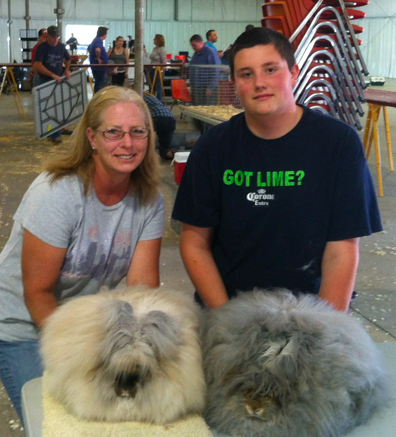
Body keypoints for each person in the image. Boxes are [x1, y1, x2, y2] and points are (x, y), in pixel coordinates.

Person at [172, 27, 382, 313]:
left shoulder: (338, 144)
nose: (260, 83)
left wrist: (326, 330)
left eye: (271, 69)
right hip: (230, 308)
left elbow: (342, 248)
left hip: (310, 309)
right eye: (246, 74)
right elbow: (194, 242)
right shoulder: (212, 147)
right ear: (233, 82)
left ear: (293, 73)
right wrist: (226, 323)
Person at [0, 86, 164, 422]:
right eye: (113, 133)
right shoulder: (57, 194)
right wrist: (90, 357)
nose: (128, 144)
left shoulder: (149, 199)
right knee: (57, 419)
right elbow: (37, 293)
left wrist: (139, 351)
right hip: (23, 325)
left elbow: (141, 291)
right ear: (91, 137)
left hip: (90, 324)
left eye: (138, 132)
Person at [33, 25, 71, 144]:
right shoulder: (41, 48)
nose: (55, 39)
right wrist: (52, 75)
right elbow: (38, 65)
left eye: (57, 37)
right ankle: (52, 133)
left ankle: (55, 133)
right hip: (45, 80)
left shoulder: (61, 46)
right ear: (48, 36)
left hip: (58, 80)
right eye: (53, 37)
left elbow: (68, 58)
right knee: (47, 108)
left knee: (57, 106)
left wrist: (67, 70)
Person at [189, 34, 220, 107]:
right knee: (197, 108)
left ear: (201, 43)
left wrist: (211, 87)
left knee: (207, 109)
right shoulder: (196, 53)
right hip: (197, 87)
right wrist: (192, 84)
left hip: (207, 87)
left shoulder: (210, 52)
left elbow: (215, 70)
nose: (193, 48)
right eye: (192, 46)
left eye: (194, 45)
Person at [143, 94, 177, 160]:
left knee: (141, 135)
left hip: (158, 118)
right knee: (164, 150)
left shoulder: (140, 98)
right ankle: (176, 156)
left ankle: (144, 157)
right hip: (171, 120)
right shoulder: (153, 98)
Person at [89, 26, 109, 93]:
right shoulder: (98, 40)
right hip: (99, 67)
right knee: (100, 85)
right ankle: (98, 98)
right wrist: (99, 58)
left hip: (97, 67)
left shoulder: (96, 40)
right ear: (104, 34)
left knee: (98, 83)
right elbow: (98, 50)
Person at [149, 34, 167, 103]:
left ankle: (159, 102)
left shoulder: (162, 49)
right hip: (152, 69)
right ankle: (152, 101)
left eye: (155, 38)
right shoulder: (154, 48)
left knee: (158, 87)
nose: (153, 39)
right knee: (151, 87)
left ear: (158, 40)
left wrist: (161, 72)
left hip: (158, 70)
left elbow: (164, 62)